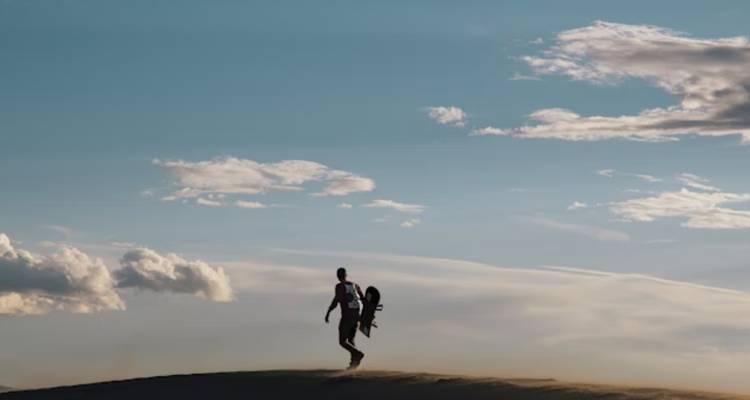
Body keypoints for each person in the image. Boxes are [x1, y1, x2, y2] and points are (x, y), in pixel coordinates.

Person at [325, 267, 365, 369]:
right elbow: (363, 299)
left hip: (347, 316)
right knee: (351, 340)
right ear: (346, 275)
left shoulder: (339, 286)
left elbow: (336, 300)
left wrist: (328, 312)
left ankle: (358, 354)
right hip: (357, 316)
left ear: (338, 276)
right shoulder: (355, 285)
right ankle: (353, 364)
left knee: (342, 341)